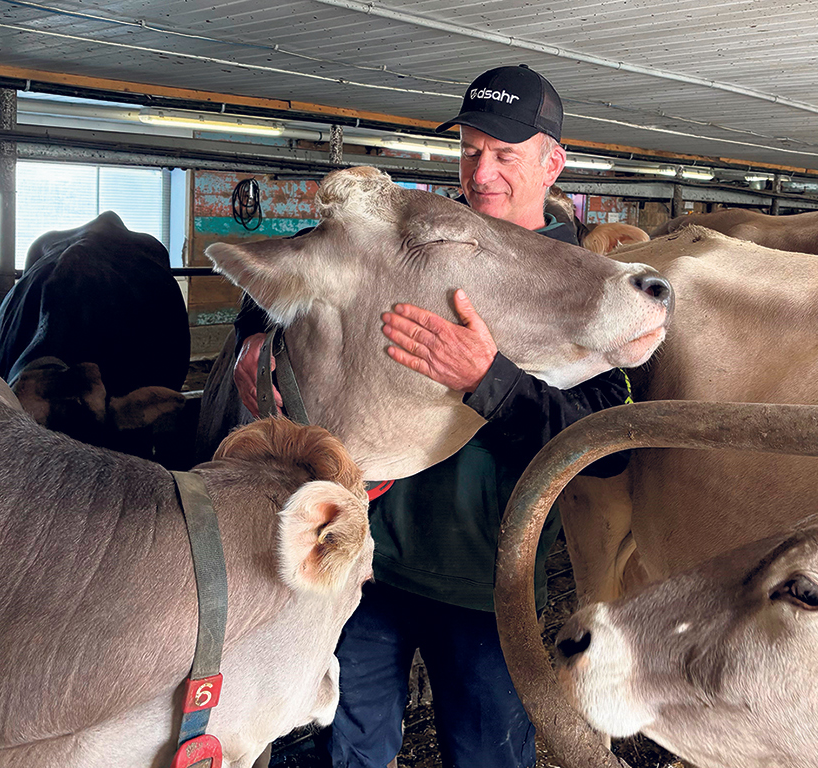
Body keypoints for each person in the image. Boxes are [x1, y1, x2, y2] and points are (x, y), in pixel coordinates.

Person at [230, 65, 630, 768]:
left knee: (486, 754)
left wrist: (488, 380)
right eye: (472, 150)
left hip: (485, 581)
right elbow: (304, 274)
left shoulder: (586, 280)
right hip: (368, 564)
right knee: (347, 748)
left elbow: (610, 444)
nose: (483, 173)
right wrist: (255, 343)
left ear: (552, 161)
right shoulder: (421, 236)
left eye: (506, 154)